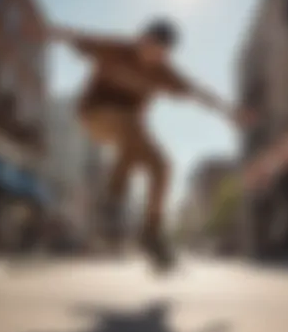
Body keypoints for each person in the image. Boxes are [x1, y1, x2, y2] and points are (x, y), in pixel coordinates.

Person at [50, 18, 253, 271]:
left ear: (165, 54)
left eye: (158, 53)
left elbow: (197, 92)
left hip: (129, 130)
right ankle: (113, 197)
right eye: (147, 46)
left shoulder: (165, 73)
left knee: (162, 166)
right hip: (94, 115)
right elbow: (75, 36)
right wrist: (46, 30)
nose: (150, 56)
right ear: (141, 38)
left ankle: (151, 233)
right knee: (131, 126)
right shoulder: (116, 48)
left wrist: (230, 111)